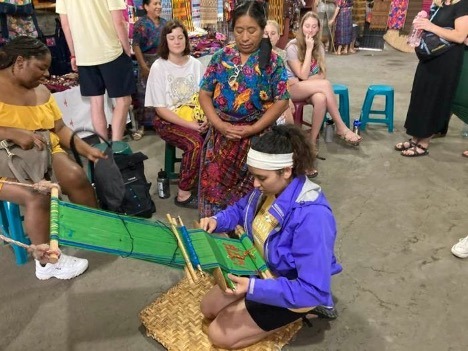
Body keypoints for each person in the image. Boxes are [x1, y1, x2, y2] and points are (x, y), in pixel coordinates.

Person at [199, 124, 342, 349]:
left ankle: (310, 311)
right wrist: (217, 221)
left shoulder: (312, 217)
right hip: (261, 269)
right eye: (253, 176)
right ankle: (253, 302)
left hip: (292, 287)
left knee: (219, 335)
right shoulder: (268, 188)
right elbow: (240, 209)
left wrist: (253, 289)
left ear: (286, 171)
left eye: (261, 178)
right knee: (207, 308)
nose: (255, 184)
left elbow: (312, 288)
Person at [0, 36, 106, 280]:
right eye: (41, 68)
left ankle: (95, 229)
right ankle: (47, 264)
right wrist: (10, 132)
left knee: (76, 176)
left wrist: (84, 149)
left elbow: (59, 129)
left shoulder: (41, 91)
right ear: (19, 62)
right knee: (38, 195)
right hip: (4, 162)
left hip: (43, 151)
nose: (47, 74)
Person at [198, 0, 290, 218]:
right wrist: (219, 125)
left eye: (252, 30)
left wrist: (253, 128)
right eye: (239, 31)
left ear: (262, 30)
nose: (245, 37)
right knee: (214, 190)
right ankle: (214, 232)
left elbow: (282, 101)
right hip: (221, 137)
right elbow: (204, 94)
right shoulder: (221, 57)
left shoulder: (273, 61)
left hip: (256, 138)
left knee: (253, 194)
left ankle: (245, 239)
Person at [286, 11, 361, 176]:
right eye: (307, 26)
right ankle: (341, 127)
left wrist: (307, 81)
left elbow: (322, 74)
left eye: (314, 27)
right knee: (325, 86)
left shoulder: (319, 46)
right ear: (301, 27)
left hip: (307, 86)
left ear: (318, 28)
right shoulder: (292, 47)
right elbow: (303, 74)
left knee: (320, 98)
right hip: (292, 89)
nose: (310, 30)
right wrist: (308, 50)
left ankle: (311, 144)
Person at [394, 0, 468, 157]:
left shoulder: (463, 4)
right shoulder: (440, 3)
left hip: (447, 60)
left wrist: (430, 26)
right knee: (421, 95)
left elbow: (460, 36)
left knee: (434, 98)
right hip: (430, 57)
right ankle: (415, 137)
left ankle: (424, 142)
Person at [145, 20, 206, 209]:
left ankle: (208, 185)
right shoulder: (159, 67)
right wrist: (192, 125)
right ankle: (184, 194)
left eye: (180, 37)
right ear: (166, 41)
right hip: (168, 120)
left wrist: (206, 120)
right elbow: (160, 109)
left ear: (186, 40)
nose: (177, 42)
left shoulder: (196, 64)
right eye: (172, 38)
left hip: (195, 115)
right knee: (195, 143)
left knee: (219, 136)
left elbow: (205, 96)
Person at [57, 0, 136, 141]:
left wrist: (74, 54)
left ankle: (104, 147)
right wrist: (127, 50)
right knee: (123, 100)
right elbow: (119, 21)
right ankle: (116, 145)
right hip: (111, 51)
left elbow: (66, 25)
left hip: (84, 55)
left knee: (96, 102)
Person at [131, 0, 167, 140]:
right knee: (144, 95)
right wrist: (143, 66)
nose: (158, 6)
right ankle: (142, 126)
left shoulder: (165, 23)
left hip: (162, 62)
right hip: (146, 62)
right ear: (146, 6)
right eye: (155, 4)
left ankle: (160, 123)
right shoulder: (140, 24)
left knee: (161, 93)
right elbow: (136, 45)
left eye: (159, 3)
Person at [264, 20, 294, 125]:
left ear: (278, 36)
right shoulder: (257, 53)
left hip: (279, 92)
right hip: (264, 92)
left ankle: (288, 138)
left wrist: (288, 99)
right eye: (266, 33)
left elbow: (284, 79)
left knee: (287, 113)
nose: (269, 37)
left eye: (273, 33)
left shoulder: (282, 54)